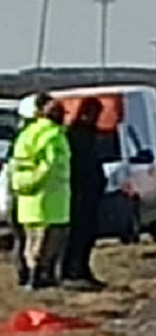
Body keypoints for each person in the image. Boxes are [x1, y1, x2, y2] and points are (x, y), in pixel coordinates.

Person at [9, 97, 71, 290]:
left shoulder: (26, 135)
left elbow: (16, 164)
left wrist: (25, 185)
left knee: (30, 242)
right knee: (46, 245)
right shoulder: (53, 136)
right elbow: (50, 167)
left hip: (27, 200)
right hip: (50, 201)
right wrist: (38, 181)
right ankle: (38, 279)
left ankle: (32, 278)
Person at [8, 92, 53, 287]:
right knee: (31, 240)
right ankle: (31, 277)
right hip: (30, 194)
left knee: (24, 239)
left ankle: (26, 275)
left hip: (20, 191)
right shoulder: (38, 135)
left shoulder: (24, 135)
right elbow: (44, 167)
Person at [62, 97, 106, 289]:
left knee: (88, 234)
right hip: (78, 192)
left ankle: (83, 269)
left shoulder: (90, 134)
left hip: (90, 192)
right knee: (77, 235)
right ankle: (72, 271)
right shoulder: (74, 134)